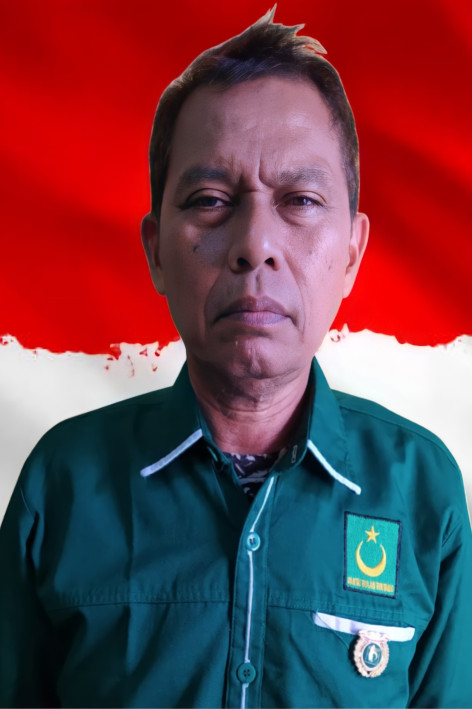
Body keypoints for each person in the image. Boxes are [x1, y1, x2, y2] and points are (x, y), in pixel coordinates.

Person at [1, 9, 471, 708]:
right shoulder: (62, 485)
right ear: (156, 251)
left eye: (300, 200)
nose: (255, 243)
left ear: (351, 252)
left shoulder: (422, 490)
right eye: (211, 200)